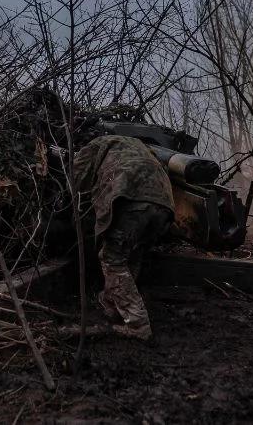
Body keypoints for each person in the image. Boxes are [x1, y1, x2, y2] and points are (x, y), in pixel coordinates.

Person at [72, 134, 176, 340]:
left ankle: (137, 323)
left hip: (132, 200)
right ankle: (113, 305)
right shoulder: (141, 147)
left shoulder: (97, 143)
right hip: (164, 205)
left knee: (112, 259)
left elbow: (76, 178)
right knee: (132, 256)